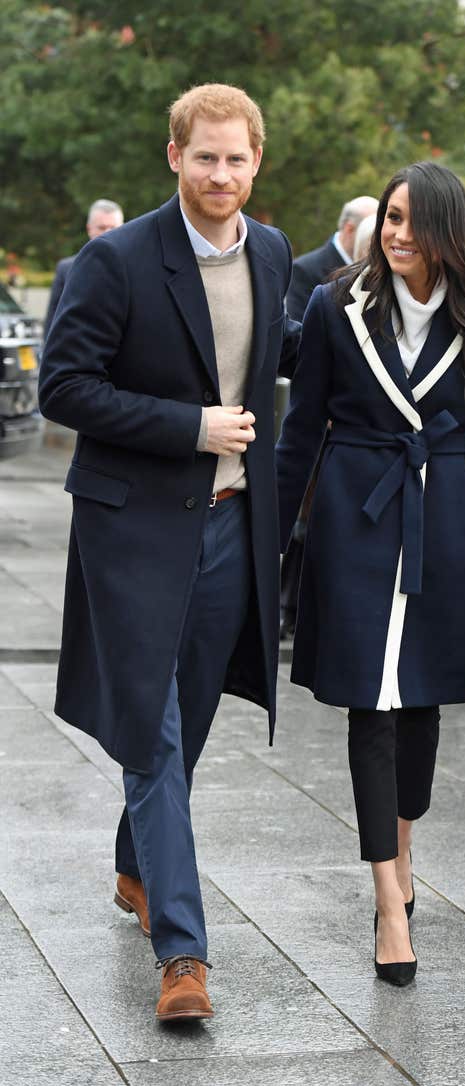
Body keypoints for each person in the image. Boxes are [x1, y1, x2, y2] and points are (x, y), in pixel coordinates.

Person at [38, 82, 299, 1022]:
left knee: (183, 718)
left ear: (255, 162)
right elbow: (62, 388)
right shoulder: (113, 261)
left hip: (233, 525)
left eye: (235, 159)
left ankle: (131, 865)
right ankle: (182, 954)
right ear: (174, 157)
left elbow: (282, 349)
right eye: (204, 157)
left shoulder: (270, 253)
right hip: (134, 529)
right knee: (152, 733)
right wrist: (188, 426)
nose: (219, 174)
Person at [277, 161, 465, 986]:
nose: (396, 234)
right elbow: (300, 431)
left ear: (446, 232)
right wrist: (270, 535)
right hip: (357, 523)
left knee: (418, 709)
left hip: (448, 527)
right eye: (390, 217)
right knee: (371, 706)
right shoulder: (333, 306)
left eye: (413, 222)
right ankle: (389, 901)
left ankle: (403, 843)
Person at [279, 194, 379, 639]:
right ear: (349, 229)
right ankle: (290, 605)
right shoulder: (310, 273)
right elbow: (299, 344)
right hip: (324, 419)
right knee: (307, 522)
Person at [286, 195, 379, 322]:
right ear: (349, 229)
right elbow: (300, 329)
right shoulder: (304, 270)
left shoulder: (379, 270)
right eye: (371, 230)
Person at [43, 199, 124, 336]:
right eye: (101, 228)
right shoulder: (66, 269)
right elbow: (53, 320)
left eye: (113, 228)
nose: (108, 233)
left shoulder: (136, 267)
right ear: (89, 229)